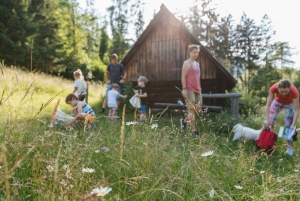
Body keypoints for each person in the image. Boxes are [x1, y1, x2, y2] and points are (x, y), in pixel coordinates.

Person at [264, 79, 299, 155]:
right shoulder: (273, 88)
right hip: (277, 102)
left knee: (288, 126)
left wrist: (293, 124)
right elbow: (268, 105)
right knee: (270, 123)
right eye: (281, 91)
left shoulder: (294, 92)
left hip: (290, 104)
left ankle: (289, 147)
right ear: (278, 88)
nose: (284, 94)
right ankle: (269, 146)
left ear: (290, 88)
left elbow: (296, 110)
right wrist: (266, 119)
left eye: (286, 92)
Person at [180, 44, 202, 138]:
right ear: (189, 52)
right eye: (194, 52)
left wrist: (199, 88)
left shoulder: (197, 64)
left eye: (197, 52)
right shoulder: (186, 63)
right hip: (189, 89)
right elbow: (183, 76)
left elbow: (198, 77)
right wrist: (184, 88)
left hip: (198, 89)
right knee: (191, 110)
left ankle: (184, 121)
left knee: (199, 110)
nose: (196, 54)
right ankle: (194, 131)